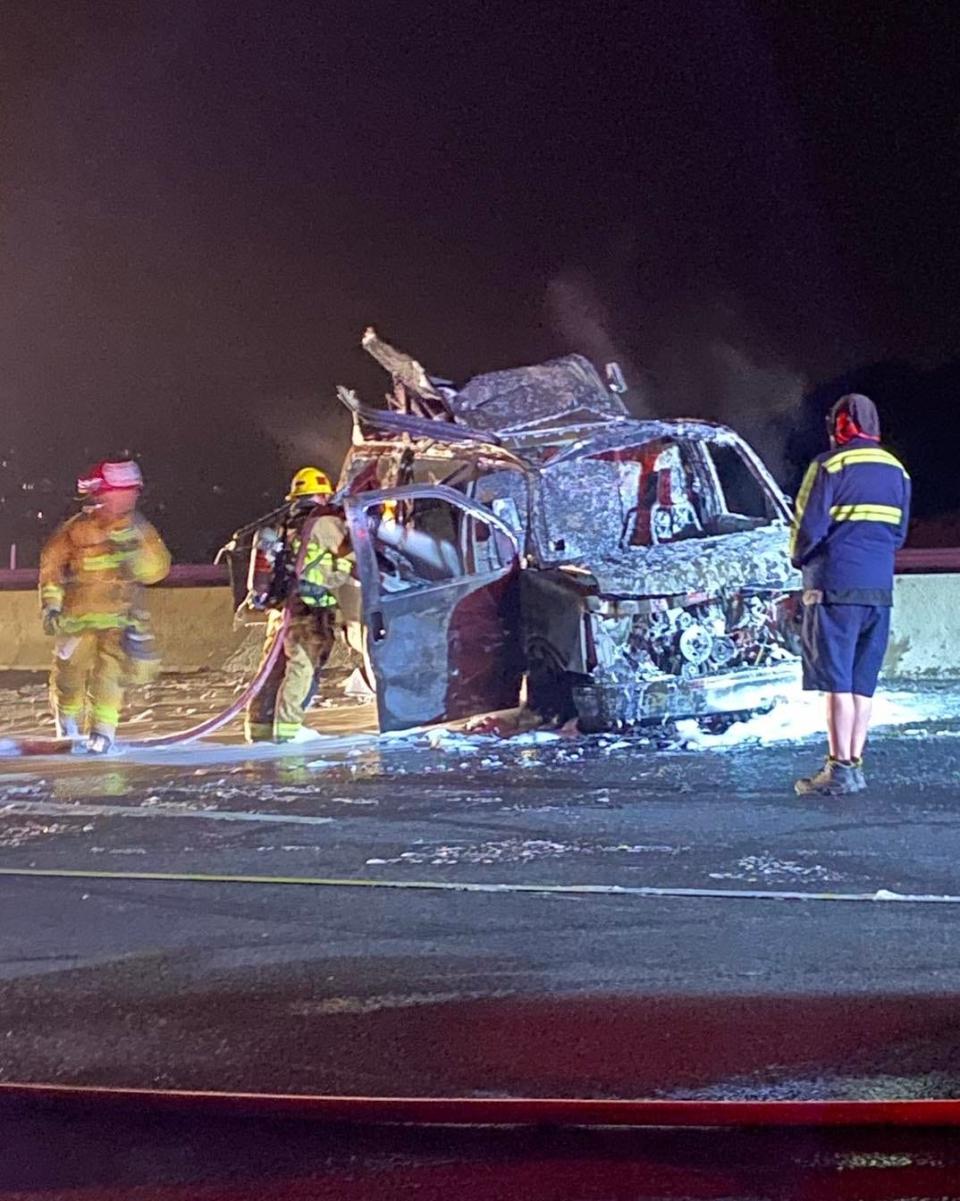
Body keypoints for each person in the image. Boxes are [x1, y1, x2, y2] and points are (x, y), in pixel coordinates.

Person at [791, 394, 911, 795]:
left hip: (835, 587)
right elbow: (898, 534)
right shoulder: (898, 471)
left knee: (837, 682)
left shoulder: (829, 465)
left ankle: (837, 769)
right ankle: (855, 764)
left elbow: (808, 529)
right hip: (878, 589)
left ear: (840, 424)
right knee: (863, 684)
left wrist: (800, 559)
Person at [39, 460, 171, 753]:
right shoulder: (76, 530)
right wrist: (51, 606)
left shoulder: (139, 530)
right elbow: (52, 569)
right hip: (76, 619)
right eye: (119, 492)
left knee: (110, 675)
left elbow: (157, 570)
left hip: (118, 620)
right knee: (69, 675)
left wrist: (131, 548)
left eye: (130, 492)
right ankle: (68, 724)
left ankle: (102, 732)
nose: (126, 498)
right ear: (100, 494)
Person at [244, 467, 354, 743]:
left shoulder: (286, 523)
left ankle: (258, 727)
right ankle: (288, 732)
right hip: (310, 609)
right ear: (321, 495)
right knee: (302, 669)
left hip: (283, 608)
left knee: (272, 668)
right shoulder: (324, 523)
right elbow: (354, 552)